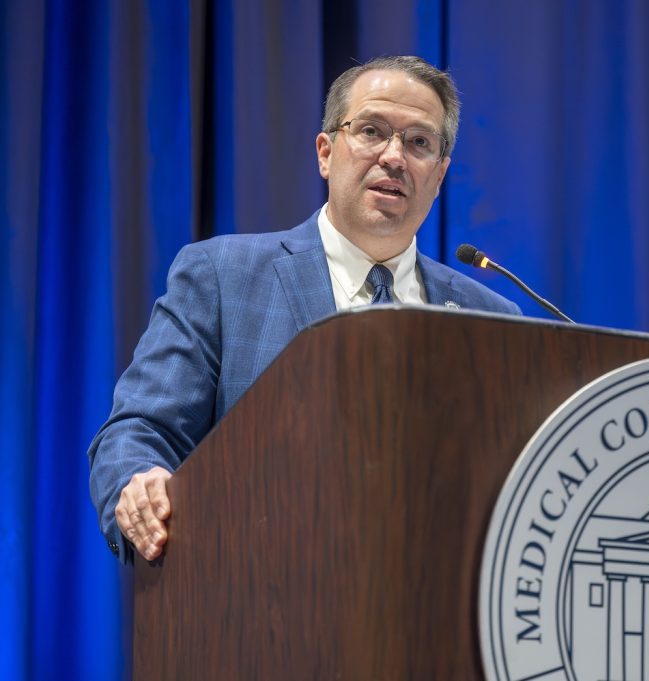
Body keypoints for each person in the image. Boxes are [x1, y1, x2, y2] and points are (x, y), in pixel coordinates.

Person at [87, 56, 520, 564]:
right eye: (372, 131)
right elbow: (137, 431)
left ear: (440, 175)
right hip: (260, 601)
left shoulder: (491, 318)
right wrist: (140, 484)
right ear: (325, 152)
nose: (394, 157)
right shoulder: (223, 276)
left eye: (419, 142)